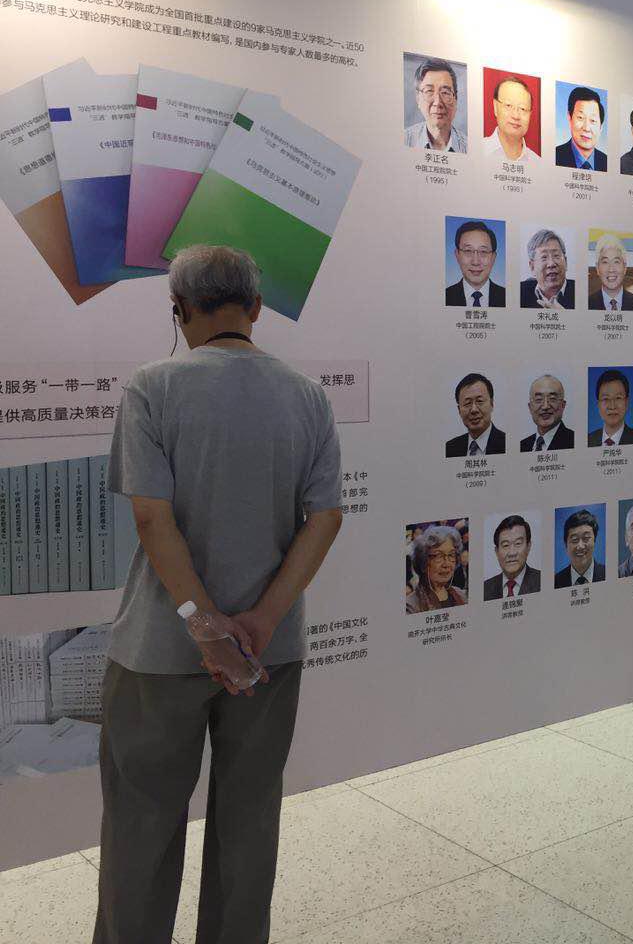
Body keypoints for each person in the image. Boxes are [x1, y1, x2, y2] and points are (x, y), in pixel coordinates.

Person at [93, 245, 344, 944]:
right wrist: (260, 620)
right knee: (248, 825)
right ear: (256, 308)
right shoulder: (307, 395)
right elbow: (325, 517)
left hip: (159, 652)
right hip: (269, 654)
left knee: (142, 828)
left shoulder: (153, 387)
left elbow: (152, 518)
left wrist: (204, 625)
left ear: (178, 310)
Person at [404, 57, 466, 152]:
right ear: (418, 99)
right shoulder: (404, 140)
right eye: (429, 91)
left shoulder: (469, 147)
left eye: (445, 92)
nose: (437, 102)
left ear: (455, 99)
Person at [406, 524, 469, 613]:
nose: (446, 564)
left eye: (451, 555)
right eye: (438, 556)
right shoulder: (410, 606)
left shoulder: (462, 596)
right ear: (423, 562)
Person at [445, 220, 505, 308]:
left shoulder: (506, 297)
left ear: (493, 257)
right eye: (468, 251)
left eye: (483, 251)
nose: (475, 262)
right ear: (457, 255)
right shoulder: (445, 296)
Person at [482, 516, 542, 600]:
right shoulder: (485, 589)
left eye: (518, 543)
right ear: (496, 551)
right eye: (506, 545)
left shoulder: (542, 581)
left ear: (528, 547)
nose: (512, 553)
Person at [445, 373, 505, 457]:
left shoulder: (506, 444)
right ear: (459, 410)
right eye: (467, 403)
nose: (474, 410)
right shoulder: (449, 448)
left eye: (479, 401)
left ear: (491, 404)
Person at [482, 75, 540, 163]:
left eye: (522, 109)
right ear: (495, 107)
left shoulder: (538, 162)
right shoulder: (478, 149)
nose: (516, 116)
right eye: (508, 105)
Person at [554, 85, 607, 171]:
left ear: (601, 127)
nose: (586, 128)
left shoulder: (606, 162)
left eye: (593, 120)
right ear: (569, 118)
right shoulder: (555, 156)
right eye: (580, 117)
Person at [519, 228, 575, 309]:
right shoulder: (520, 292)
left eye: (556, 255)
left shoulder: (580, 291)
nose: (551, 264)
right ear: (532, 267)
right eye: (544, 257)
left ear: (565, 262)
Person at [519, 374, 575, 452]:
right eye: (539, 399)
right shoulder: (522, 445)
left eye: (552, 399)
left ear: (563, 405)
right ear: (530, 407)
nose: (545, 406)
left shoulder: (574, 440)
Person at [555, 509, 605, 589]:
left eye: (586, 538)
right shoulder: (556, 581)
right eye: (575, 539)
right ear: (566, 544)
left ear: (594, 540)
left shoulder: (608, 573)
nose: (580, 546)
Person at [588, 233, 633, 311]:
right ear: (597, 268)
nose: (611, 269)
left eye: (616, 262)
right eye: (605, 262)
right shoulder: (588, 304)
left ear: (625, 267)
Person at [589, 369, 633, 447]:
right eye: (606, 399)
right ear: (598, 404)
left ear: (627, 402)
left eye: (618, 398)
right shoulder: (588, 440)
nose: (612, 406)